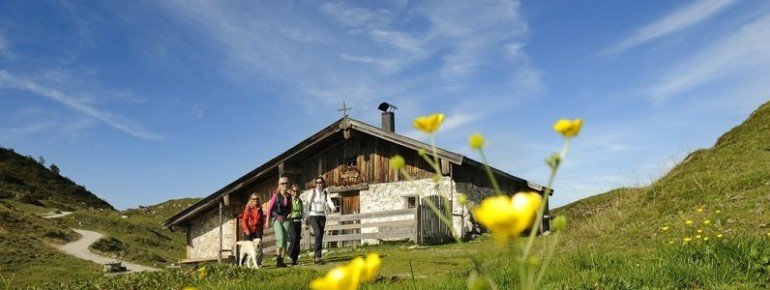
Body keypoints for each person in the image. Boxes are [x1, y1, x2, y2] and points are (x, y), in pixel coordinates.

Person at [306, 176, 337, 264]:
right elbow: (307, 204)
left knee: (320, 235)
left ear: (323, 183)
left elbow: (329, 201)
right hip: (313, 215)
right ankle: (317, 256)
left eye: (320, 182)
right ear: (315, 184)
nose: (319, 184)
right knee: (318, 233)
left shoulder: (326, 193)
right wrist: (306, 216)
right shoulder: (312, 192)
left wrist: (333, 207)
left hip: (322, 215)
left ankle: (318, 256)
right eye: (317, 183)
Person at [266, 177, 293, 268]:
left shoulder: (289, 196)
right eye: (282, 183)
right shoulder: (276, 195)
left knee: (284, 241)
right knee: (280, 238)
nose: (285, 185)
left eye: (286, 183)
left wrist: (291, 214)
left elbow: (291, 208)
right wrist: (267, 221)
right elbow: (269, 208)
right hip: (277, 219)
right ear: (279, 185)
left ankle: (282, 261)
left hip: (286, 220)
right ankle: (278, 261)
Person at [240, 193, 264, 266]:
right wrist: (246, 229)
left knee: (259, 246)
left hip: (257, 229)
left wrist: (261, 230)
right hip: (249, 229)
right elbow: (244, 220)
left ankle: (258, 263)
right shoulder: (248, 208)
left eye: (257, 199)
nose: (255, 200)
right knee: (246, 246)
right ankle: (241, 262)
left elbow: (262, 220)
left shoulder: (260, 209)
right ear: (251, 200)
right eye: (254, 199)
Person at [287, 184, 305, 265]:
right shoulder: (288, 200)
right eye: (294, 191)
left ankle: (294, 259)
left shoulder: (300, 201)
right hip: (290, 220)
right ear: (291, 191)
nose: (295, 192)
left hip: (298, 221)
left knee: (297, 240)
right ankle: (290, 253)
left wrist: (305, 222)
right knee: (293, 237)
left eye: (297, 191)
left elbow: (302, 212)